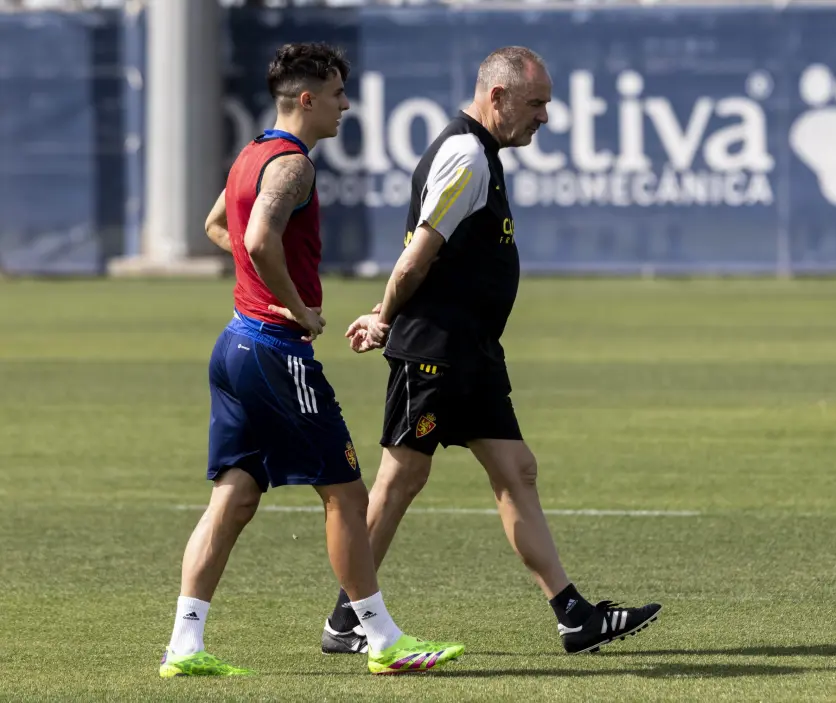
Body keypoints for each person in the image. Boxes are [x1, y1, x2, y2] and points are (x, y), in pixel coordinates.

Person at [324, 46, 661, 657]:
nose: (546, 118)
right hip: (434, 351)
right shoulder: (465, 155)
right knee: (401, 479)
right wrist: (383, 316)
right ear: (497, 97)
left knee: (517, 471)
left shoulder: (485, 154)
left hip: (473, 352)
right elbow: (419, 252)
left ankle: (574, 617)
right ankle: (347, 618)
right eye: (537, 104)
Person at [159, 42, 464, 678]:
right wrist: (296, 306)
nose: (345, 106)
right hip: (274, 351)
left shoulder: (252, 154)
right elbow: (256, 237)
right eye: (336, 94)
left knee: (236, 496)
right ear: (307, 98)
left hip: (235, 345)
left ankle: (184, 646)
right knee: (348, 498)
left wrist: (258, 286)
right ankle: (382, 641)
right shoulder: (292, 166)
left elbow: (218, 224)